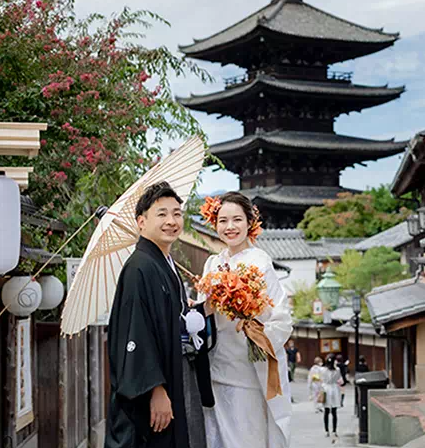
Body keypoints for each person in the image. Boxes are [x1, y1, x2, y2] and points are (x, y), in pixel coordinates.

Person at [105, 181, 213, 448]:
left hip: (174, 372)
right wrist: (156, 390)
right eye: (161, 214)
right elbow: (137, 330)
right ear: (141, 222)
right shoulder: (139, 268)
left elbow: (167, 319)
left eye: (177, 213)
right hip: (155, 388)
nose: (171, 221)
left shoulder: (164, 262)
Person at [200, 192, 293, 448]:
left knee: (248, 436)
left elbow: (282, 317)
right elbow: (203, 315)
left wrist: (256, 327)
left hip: (250, 368)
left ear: (250, 222)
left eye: (237, 220)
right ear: (214, 223)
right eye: (223, 220)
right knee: (218, 436)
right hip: (218, 365)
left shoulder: (260, 261)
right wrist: (203, 307)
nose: (230, 227)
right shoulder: (212, 264)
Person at [320, 354, 344, 443]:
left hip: (326, 388)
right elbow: (340, 379)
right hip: (334, 390)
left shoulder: (322, 370)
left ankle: (326, 430)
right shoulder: (337, 370)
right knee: (334, 412)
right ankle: (334, 430)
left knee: (326, 411)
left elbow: (321, 379)